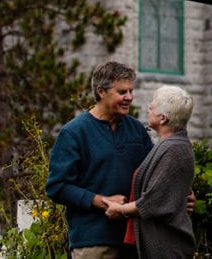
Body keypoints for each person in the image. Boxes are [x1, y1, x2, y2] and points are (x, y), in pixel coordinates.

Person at [46, 61, 153, 258]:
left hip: (135, 240)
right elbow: (57, 187)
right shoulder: (74, 133)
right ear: (101, 91)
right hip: (93, 243)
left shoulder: (136, 130)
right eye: (122, 92)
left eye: (131, 91)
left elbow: (156, 171)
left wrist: (180, 194)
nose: (129, 97)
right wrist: (101, 201)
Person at [105, 85, 196, 258]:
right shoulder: (166, 146)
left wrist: (120, 209)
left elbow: (153, 202)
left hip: (165, 247)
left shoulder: (174, 149)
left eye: (152, 107)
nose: (148, 109)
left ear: (163, 118)